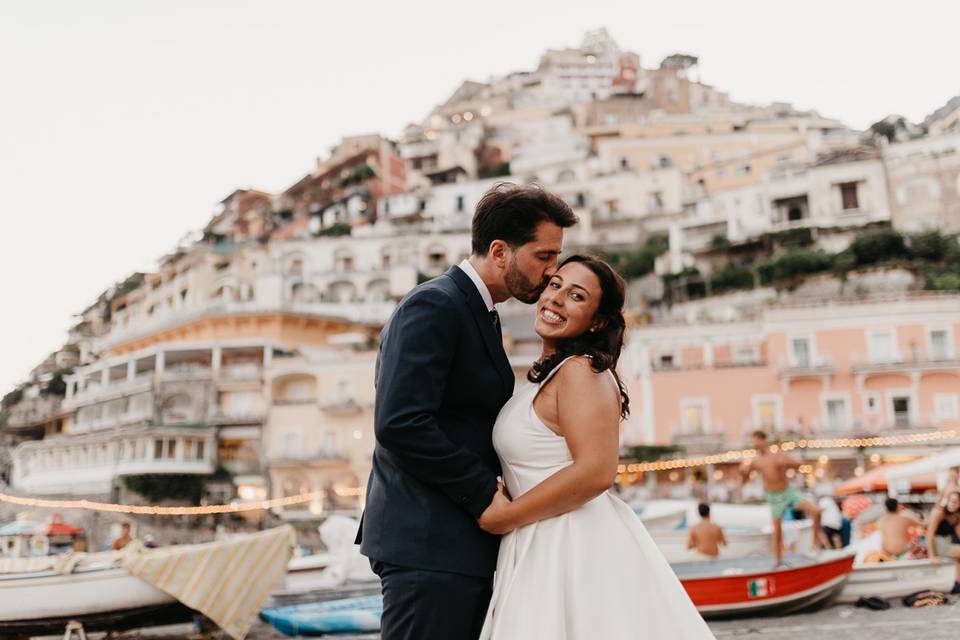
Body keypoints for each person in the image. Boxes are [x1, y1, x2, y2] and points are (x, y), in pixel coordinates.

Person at [356, 183, 577, 640]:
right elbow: (401, 423)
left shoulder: (480, 312)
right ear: (500, 251)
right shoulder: (434, 305)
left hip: (455, 544)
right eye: (544, 256)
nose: (553, 270)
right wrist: (482, 492)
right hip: (429, 543)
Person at [477, 255, 713, 639]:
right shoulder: (551, 376)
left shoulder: (581, 371)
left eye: (576, 296)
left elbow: (596, 472)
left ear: (598, 321)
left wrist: (507, 516)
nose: (556, 299)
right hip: (540, 537)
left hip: (569, 543)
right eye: (555, 286)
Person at [740, 431, 824, 566]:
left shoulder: (777, 456)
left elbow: (799, 464)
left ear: (764, 440)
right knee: (777, 532)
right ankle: (777, 562)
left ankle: (815, 545)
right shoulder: (755, 462)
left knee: (816, 511)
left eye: (755, 440)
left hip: (788, 492)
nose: (754, 444)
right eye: (752, 441)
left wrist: (786, 460)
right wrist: (742, 472)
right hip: (773, 497)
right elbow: (744, 482)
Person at [926, 490, 960, 593]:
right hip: (937, 543)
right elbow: (929, 534)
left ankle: (957, 584)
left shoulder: (956, 517)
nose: (955, 504)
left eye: (958, 502)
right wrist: (931, 555)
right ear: (947, 501)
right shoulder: (939, 513)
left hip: (948, 543)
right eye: (952, 501)